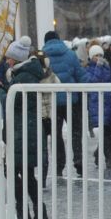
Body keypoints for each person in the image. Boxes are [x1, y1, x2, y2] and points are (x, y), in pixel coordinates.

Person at [0, 37, 50, 219]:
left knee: (17, 174)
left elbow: (13, 103)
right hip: (25, 132)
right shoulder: (25, 74)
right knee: (24, 175)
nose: (7, 61)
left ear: (17, 59)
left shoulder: (23, 76)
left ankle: (26, 216)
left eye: (10, 58)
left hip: (23, 133)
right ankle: (34, 215)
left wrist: (0, 93)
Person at [41, 30, 86, 176]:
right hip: (70, 99)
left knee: (56, 134)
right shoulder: (70, 54)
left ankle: (59, 165)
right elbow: (80, 75)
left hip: (52, 101)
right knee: (76, 132)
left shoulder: (42, 57)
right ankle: (78, 160)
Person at [85, 42, 111, 173]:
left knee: (109, 132)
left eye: (100, 55)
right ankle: (108, 157)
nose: (99, 57)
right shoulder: (88, 69)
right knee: (104, 133)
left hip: (108, 103)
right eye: (96, 55)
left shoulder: (106, 67)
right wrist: (98, 67)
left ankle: (104, 155)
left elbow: (109, 81)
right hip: (97, 104)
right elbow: (92, 81)